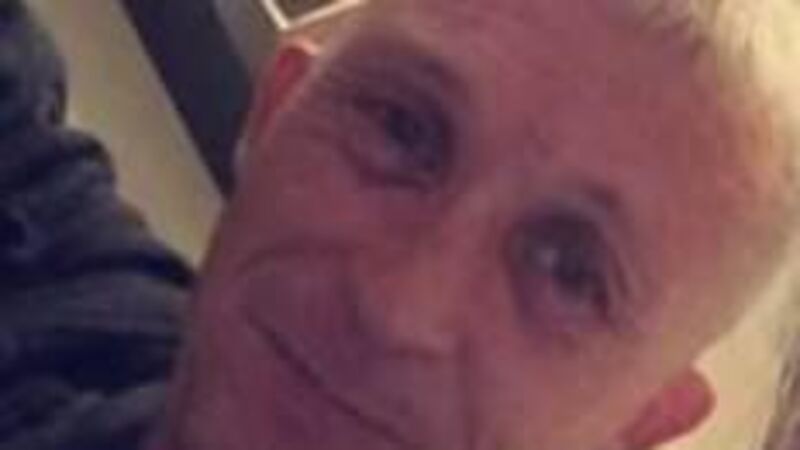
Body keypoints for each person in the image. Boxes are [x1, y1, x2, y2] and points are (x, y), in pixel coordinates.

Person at [1, 1, 798, 450]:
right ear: (277, 108)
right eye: (402, 128)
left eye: (570, 271)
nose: (396, 308)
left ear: (640, 423)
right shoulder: (61, 317)